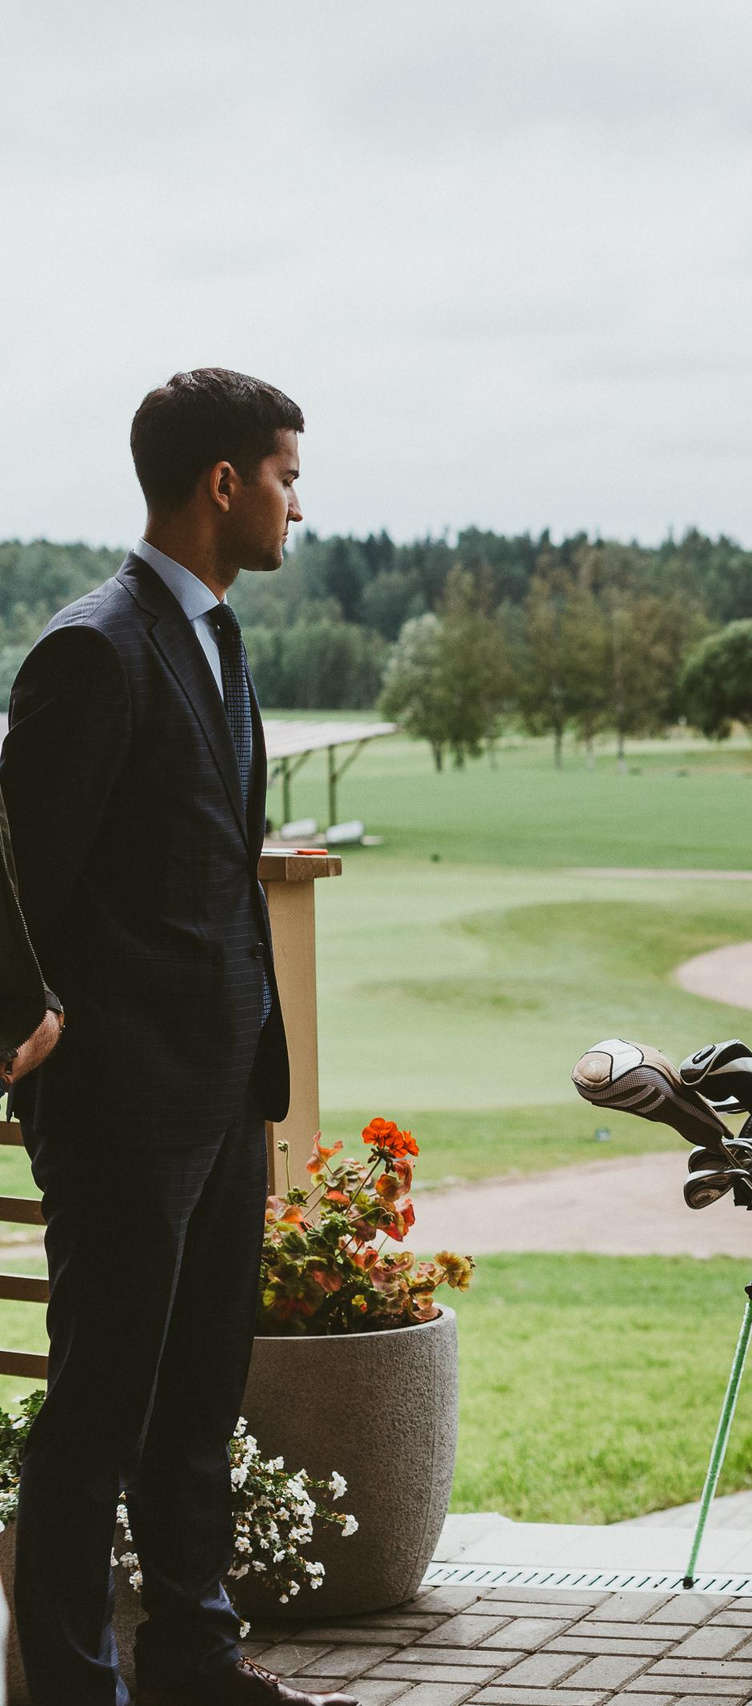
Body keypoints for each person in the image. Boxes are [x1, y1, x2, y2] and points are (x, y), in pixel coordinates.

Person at [3, 370, 357, 1706]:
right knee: (96, 1415)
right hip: (116, 1108)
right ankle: (72, 1690)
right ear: (222, 484)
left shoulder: (217, 637)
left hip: (220, 1091)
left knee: (200, 1403)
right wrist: (27, 1030)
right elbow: (21, 873)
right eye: (283, 475)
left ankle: (199, 1669)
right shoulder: (93, 646)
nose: (295, 503)